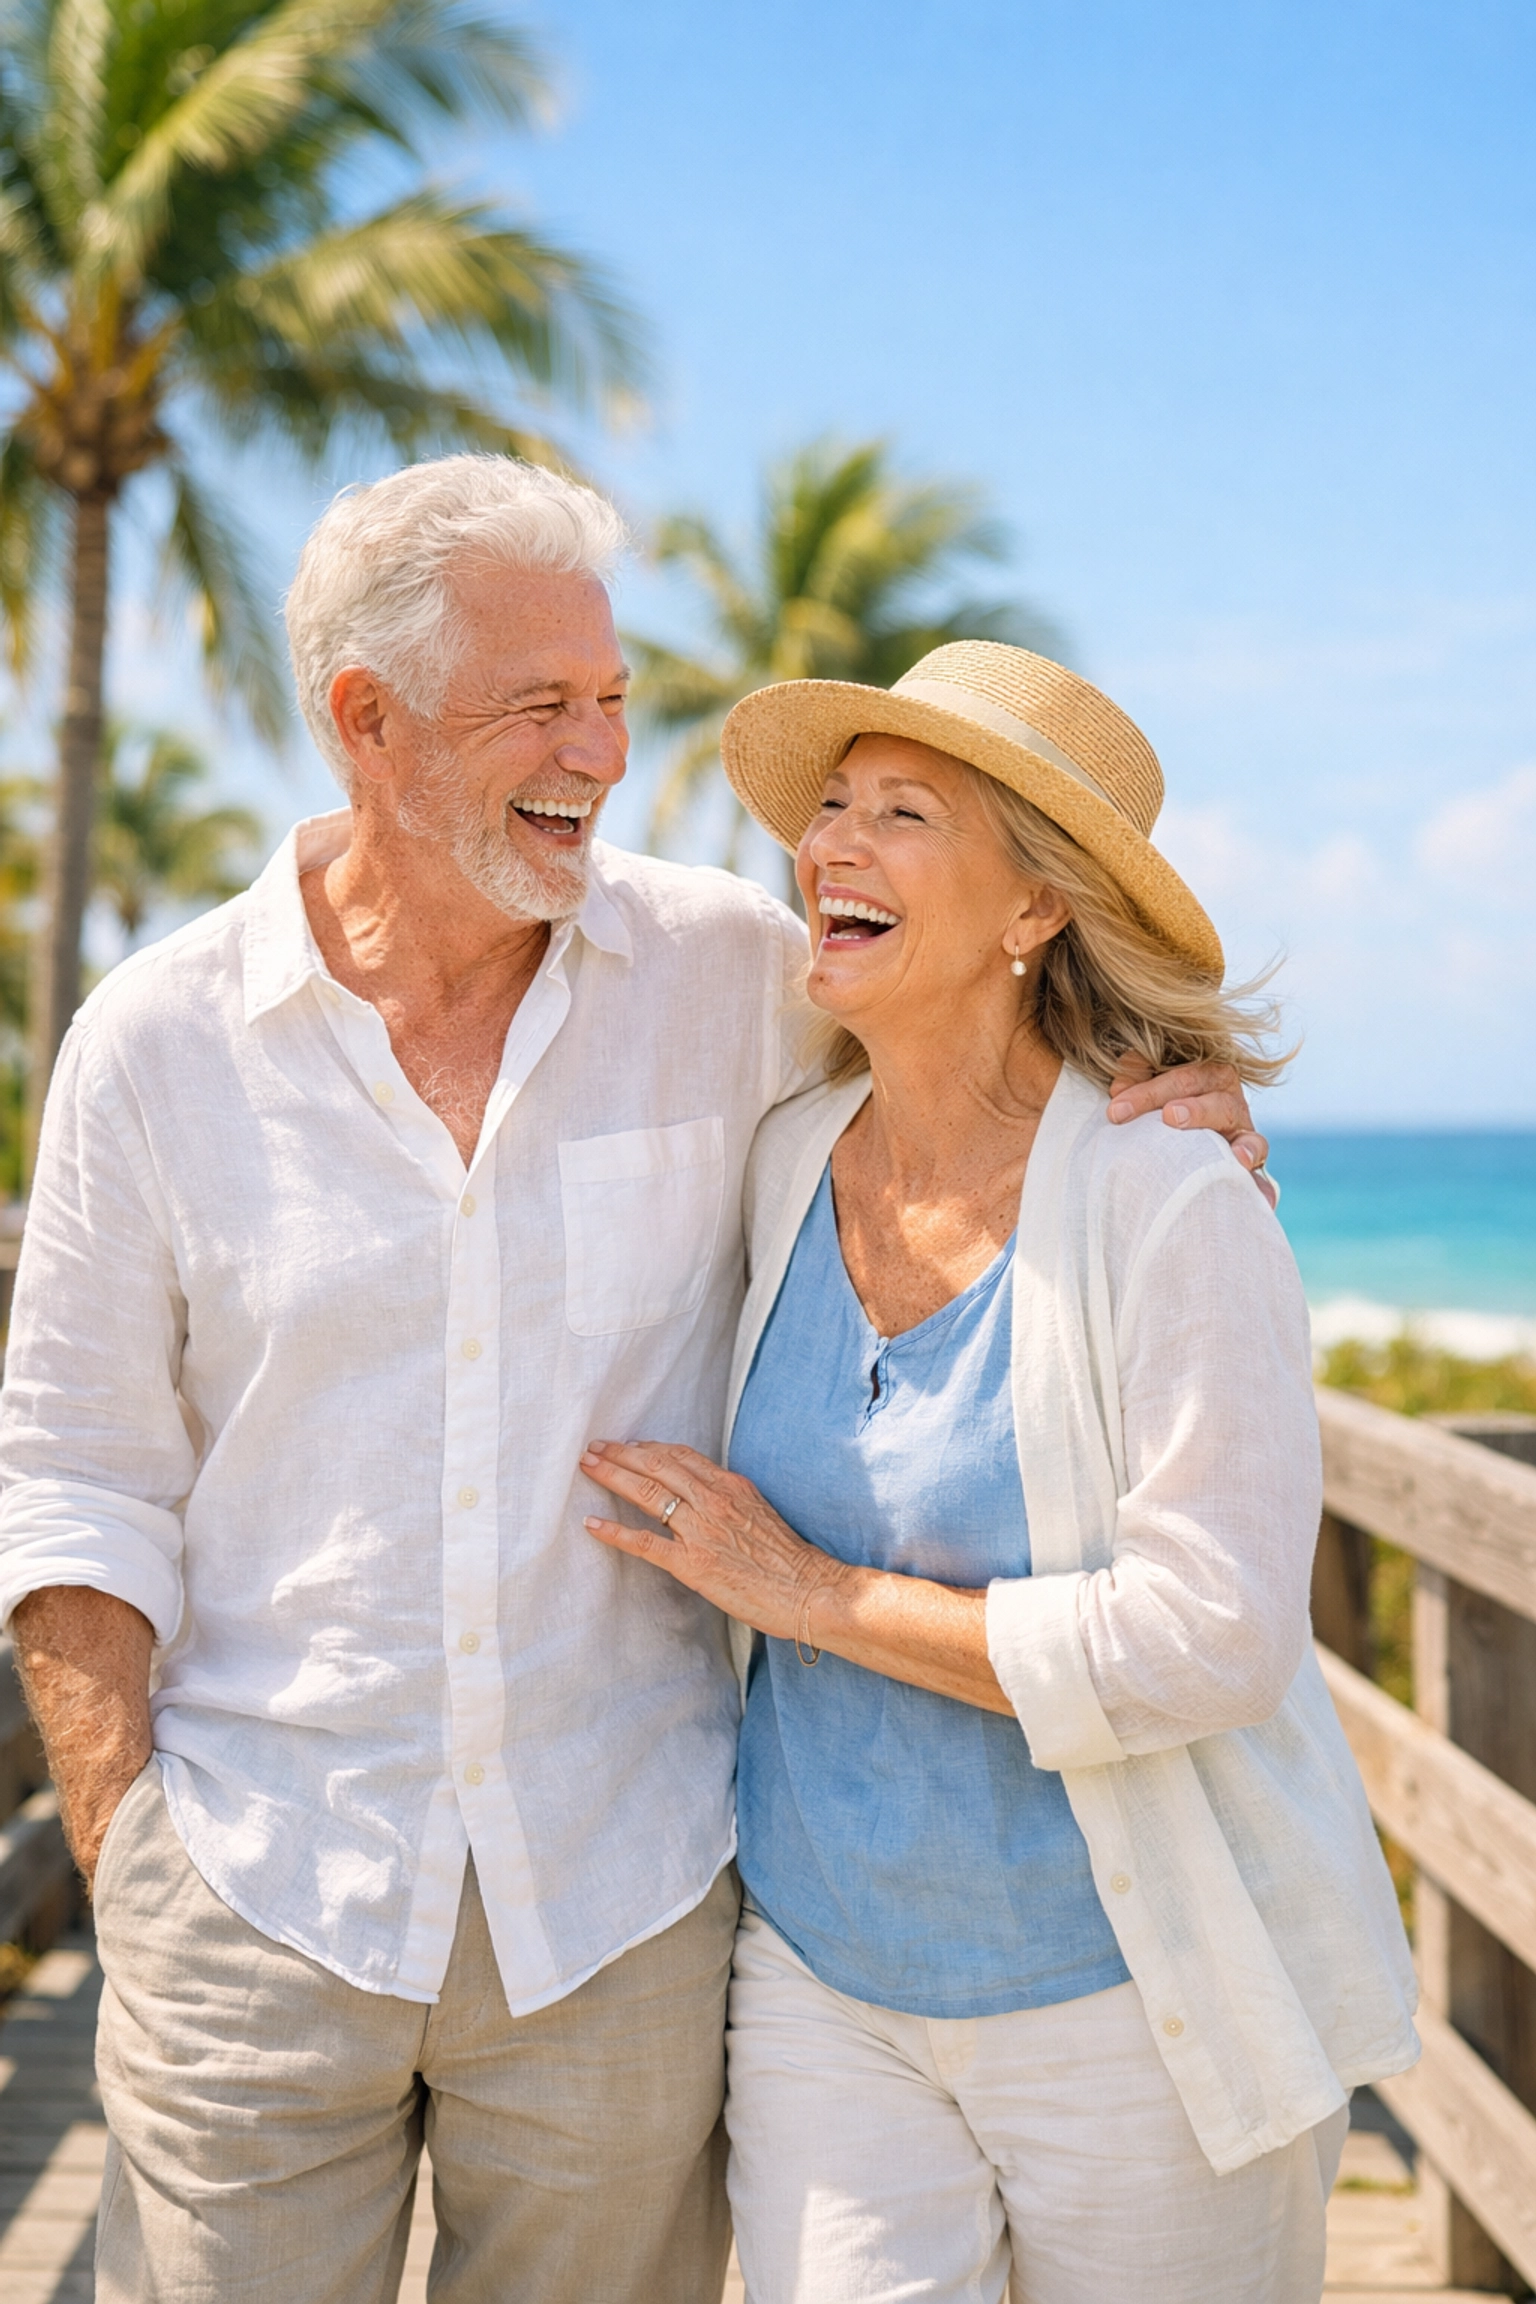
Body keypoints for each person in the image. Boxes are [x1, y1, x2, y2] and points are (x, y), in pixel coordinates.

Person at [0, 459, 1265, 2304]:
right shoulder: (154, 1045)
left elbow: (982, 1033)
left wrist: (1173, 1104)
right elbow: (77, 1473)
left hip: (624, 1897)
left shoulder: (731, 973)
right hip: (260, 1888)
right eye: (543, 706)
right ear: (369, 721)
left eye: (610, 698)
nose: (598, 748)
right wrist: (128, 1860)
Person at [579, 641, 1420, 2304]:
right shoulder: (780, 1159)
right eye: (829, 808)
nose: (834, 845)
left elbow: (1215, 1638)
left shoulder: (1168, 1198)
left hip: (1130, 2002)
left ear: (1036, 912)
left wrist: (811, 1597)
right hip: (824, 1989)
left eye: (905, 811)